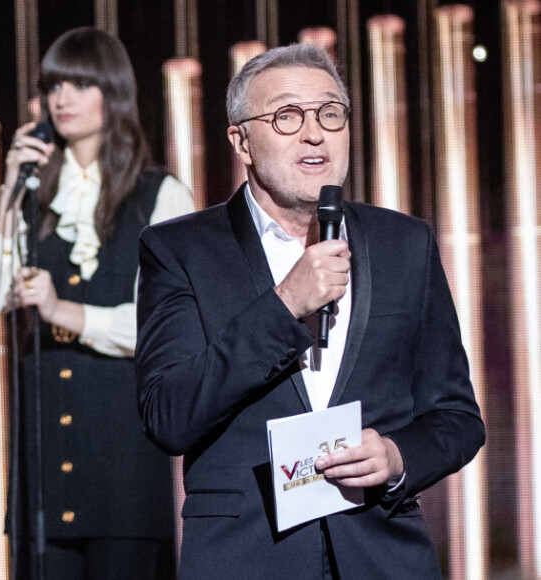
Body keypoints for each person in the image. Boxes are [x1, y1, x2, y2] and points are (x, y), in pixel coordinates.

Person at [135, 43, 485, 579]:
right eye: (287, 116)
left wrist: (396, 458)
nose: (314, 132)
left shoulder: (404, 243)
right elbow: (168, 415)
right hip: (246, 555)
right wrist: (284, 307)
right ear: (242, 140)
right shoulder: (180, 250)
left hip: (382, 554)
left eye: (329, 113)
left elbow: (457, 418)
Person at [0, 27, 194, 579]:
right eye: (53, 86)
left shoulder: (159, 195)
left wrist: (63, 311)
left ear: (111, 92)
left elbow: (162, 328)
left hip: (124, 470)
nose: (61, 98)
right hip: (43, 469)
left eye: (78, 83)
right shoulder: (34, 194)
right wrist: (8, 189)